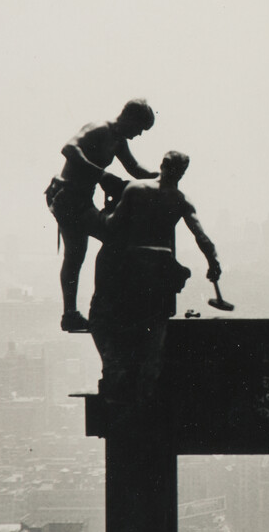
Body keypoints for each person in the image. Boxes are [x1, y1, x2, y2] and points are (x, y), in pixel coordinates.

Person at [87, 150, 222, 400]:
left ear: (161, 165)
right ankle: (145, 388)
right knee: (154, 331)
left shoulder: (136, 190)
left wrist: (97, 213)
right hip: (162, 269)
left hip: (132, 264)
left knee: (102, 317)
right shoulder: (181, 199)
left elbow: (113, 226)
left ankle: (114, 369)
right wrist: (213, 263)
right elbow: (201, 237)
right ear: (182, 172)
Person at [45, 99, 160, 332]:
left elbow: (134, 168)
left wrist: (160, 178)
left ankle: (81, 312)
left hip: (83, 201)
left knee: (95, 247)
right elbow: (69, 149)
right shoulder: (99, 128)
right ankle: (77, 313)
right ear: (129, 118)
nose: (138, 135)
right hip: (68, 198)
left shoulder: (118, 140)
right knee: (81, 253)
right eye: (139, 128)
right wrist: (102, 175)